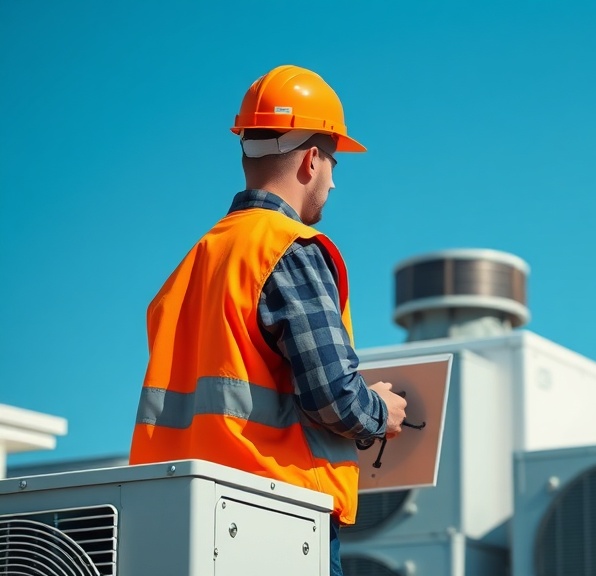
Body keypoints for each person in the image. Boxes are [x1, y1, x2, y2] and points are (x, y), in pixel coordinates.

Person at [128, 64, 407, 576]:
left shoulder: (193, 263)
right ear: (310, 160)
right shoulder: (289, 249)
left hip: (176, 515)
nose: (333, 182)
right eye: (333, 164)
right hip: (274, 517)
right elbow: (332, 396)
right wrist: (379, 412)